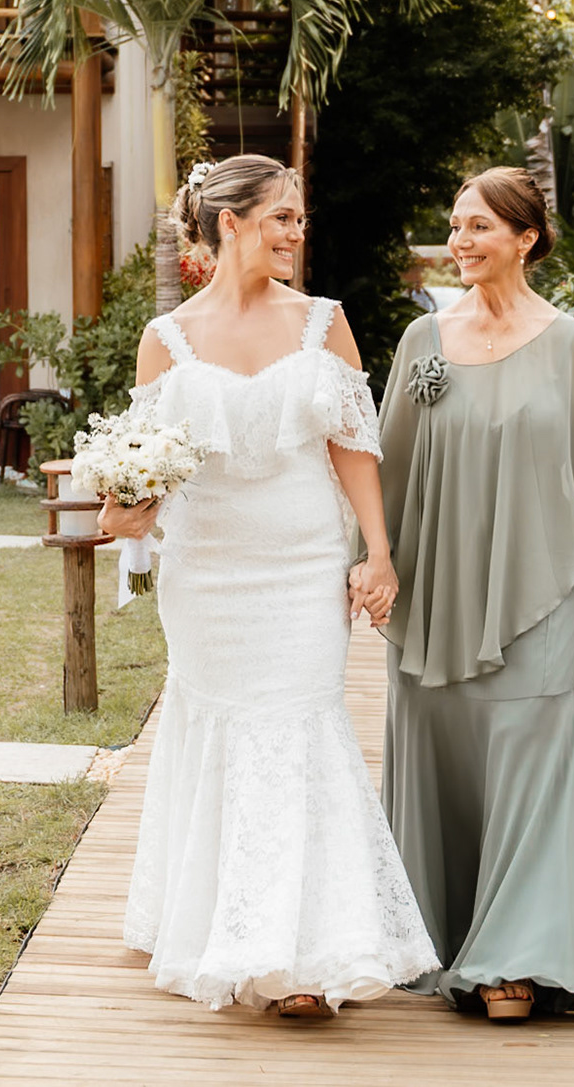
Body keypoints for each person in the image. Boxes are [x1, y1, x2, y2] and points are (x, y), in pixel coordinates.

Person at [104, 154, 436, 1018]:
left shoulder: (323, 322)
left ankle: (304, 958)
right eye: (281, 216)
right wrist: (127, 512)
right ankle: (237, 934)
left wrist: (378, 552)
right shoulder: (165, 339)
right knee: (221, 729)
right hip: (207, 577)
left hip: (301, 569)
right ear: (230, 223)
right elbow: (145, 472)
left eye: (298, 217)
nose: (296, 231)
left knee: (300, 729)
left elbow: (352, 448)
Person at [371, 166, 574, 1022]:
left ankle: (515, 956)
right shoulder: (423, 342)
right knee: (443, 751)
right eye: (454, 226)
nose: (461, 241)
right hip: (439, 589)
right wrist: (372, 562)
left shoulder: (571, 343)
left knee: (530, 754)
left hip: (541, 586)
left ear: (526, 237)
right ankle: (439, 939)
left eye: (479, 226)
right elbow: (389, 465)